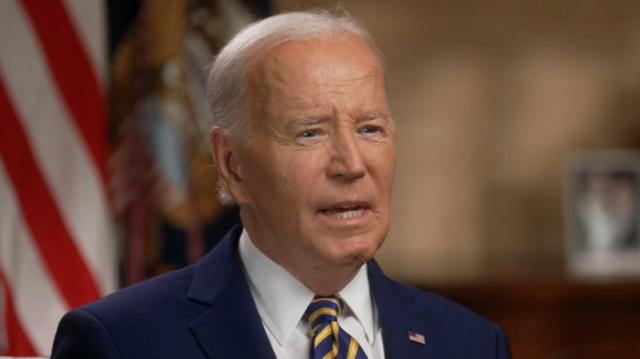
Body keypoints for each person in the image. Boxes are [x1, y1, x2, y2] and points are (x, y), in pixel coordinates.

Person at [52, 11, 511, 359]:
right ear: (232, 166)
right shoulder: (120, 342)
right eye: (310, 133)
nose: (351, 165)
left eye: (370, 128)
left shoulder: (471, 343)